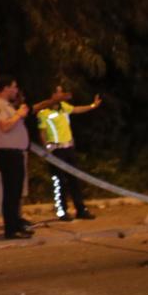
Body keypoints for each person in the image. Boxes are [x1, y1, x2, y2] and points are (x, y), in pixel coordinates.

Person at [35, 85, 100, 221]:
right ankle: (62, 211)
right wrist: (47, 149)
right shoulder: (43, 112)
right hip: (56, 150)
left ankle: (81, 209)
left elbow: (76, 109)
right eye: (59, 92)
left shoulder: (63, 106)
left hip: (68, 148)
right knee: (59, 181)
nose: (62, 94)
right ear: (52, 95)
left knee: (74, 180)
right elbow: (42, 132)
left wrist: (93, 105)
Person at [0, 75, 32, 239]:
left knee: (16, 193)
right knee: (11, 193)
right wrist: (19, 115)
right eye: (14, 87)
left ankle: (16, 224)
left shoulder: (7, 105)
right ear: (5, 88)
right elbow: (4, 126)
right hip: (8, 155)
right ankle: (11, 230)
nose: (16, 90)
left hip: (15, 154)